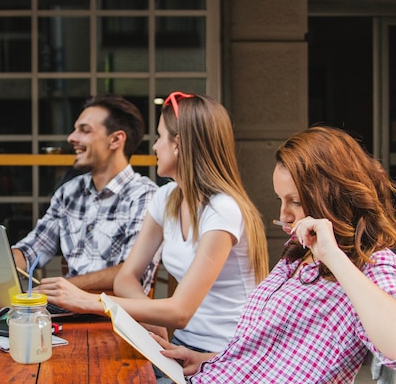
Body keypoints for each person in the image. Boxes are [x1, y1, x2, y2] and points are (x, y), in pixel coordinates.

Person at [153, 126, 396, 383]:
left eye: (294, 201)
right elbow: (274, 359)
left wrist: (333, 255)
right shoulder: (296, 256)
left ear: (333, 197)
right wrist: (207, 360)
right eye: (279, 200)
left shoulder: (372, 263)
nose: (283, 215)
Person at [35, 92, 269, 359]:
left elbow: (180, 312)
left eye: (159, 137)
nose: (155, 147)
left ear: (178, 144)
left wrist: (90, 301)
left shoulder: (222, 210)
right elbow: (126, 277)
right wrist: (155, 322)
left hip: (230, 353)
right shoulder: (167, 198)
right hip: (183, 345)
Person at [0, 94, 159, 293]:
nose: (71, 138)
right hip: (69, 309)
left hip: (119, 315)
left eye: (84, 130)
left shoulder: (145, 197)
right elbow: (32, 249)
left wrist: (65, 286)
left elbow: (132, 273)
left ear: (115, 140)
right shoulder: (70, 192)